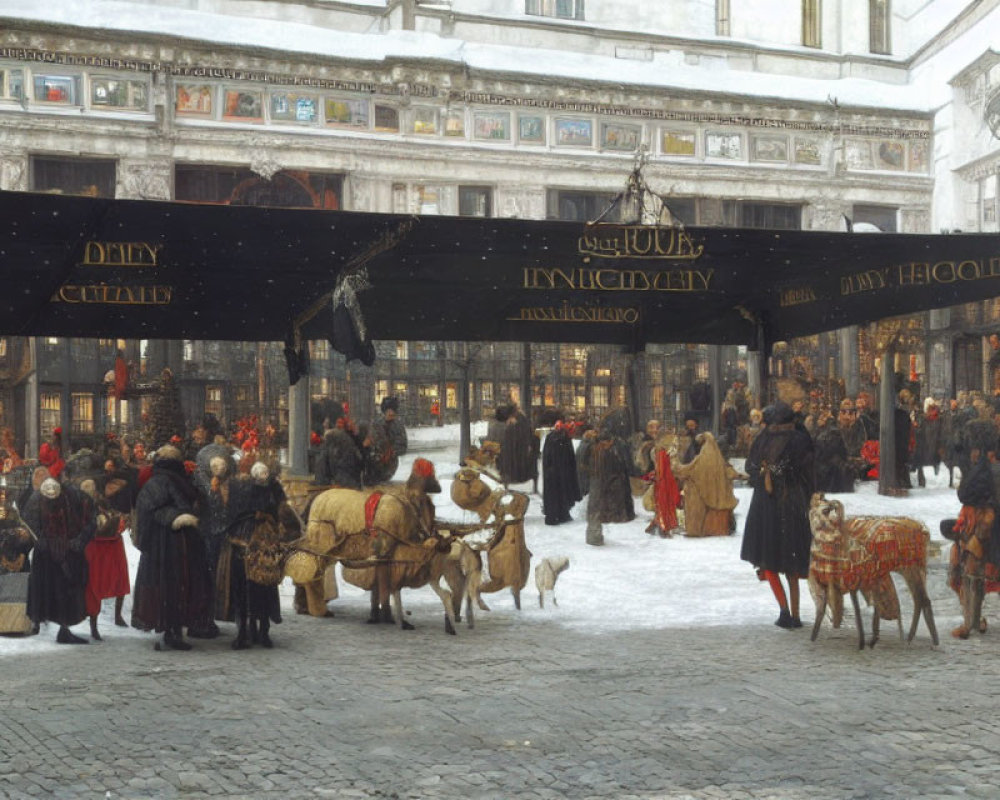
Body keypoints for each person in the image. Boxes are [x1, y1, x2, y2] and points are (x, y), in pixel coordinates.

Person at [740, 402, 815, 629]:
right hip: (793, 501)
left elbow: (750, 467)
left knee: (769, 558)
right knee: (791, 561)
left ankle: (784, 612)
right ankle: (795, 614)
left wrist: (766, 472)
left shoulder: (764, 439)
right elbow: (810, 472)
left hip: (767, 504)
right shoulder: (801, 439)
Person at [131, 445, 213, 651]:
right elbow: (151, 510)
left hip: (169, 544)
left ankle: (173, 630)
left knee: (172, 586)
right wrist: (175, 517)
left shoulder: (163, 481)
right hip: (171, 542)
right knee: (175, 585)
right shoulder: (169, 481)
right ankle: (172, 631)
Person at [217, 462, 299, 649]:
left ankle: (259, 629)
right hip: (247, 543)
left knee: (259, 589)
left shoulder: (265, 490)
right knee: (249, 589)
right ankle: (250, 630)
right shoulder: (245, 490)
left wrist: (269, 517)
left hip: (258, 545)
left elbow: (281, 513)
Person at [24, 477, 96, 644]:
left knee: (66, 589)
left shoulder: (73, 497)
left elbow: (89, 519)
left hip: (67, 549)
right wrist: (40, 541)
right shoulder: (35, 500)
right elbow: (29, 522)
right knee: (45, 587)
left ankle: (64, 628)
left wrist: (77, 542)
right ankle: (40, 623)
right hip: (46, 552)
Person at [79, 479, 129, 640]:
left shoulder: (89, 505)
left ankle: (99, 624)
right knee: (105, 581)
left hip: (100, 546)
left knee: (96, 584)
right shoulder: (97, 506)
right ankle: (113, 617)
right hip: (105, 545)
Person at [581, 408, 637, 546]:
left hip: (603, 484)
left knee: (596, 510)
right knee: (596, 509)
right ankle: (594, 537)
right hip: (600, 484)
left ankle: (594, 536)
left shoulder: (598, 447)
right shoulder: (597, 449)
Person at [672, 431, 742, 536]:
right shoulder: (721, 461)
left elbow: (682, 471)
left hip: (701, 506)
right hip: (719, 507)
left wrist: (673, 459)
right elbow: (731, 473)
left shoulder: (700, 460)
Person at [0, 500, 35, 635]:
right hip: (16, 567)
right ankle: (15, 625)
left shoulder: (20, 528)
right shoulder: (21, 529)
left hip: (14, 568)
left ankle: (10, 625)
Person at [541, 419, 582, 526]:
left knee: (554, 493)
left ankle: (555, 515)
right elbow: (568, 457)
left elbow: (547, 456)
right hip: (560, 471)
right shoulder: (563, 440)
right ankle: (560, 515)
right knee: (561, 492)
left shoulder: (553, 438)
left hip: (553, 471)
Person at [365, 396, 408, 486]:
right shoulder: (376, 424)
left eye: (392, 411)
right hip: (374, 461)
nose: (390, 413)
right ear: (384, 412)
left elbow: (403, 446)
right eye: (388, 411)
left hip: (389, 465)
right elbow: (371, 440)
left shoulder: (398, 426)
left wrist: (391, 452)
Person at [646, 433, 681, 538]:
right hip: (664, 483)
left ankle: (656, 526)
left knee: (665, 505)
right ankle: (663, 528)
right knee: (664, 506)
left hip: (666, 481)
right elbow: (660, 471)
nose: (675, 444)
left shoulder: (664, 452)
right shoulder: (662, 453)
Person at [497, 402, 536, 487]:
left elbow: (524, 433)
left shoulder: (519, 419)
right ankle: (509, 476)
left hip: (519, 446)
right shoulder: (518, 418)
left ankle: (511, 476)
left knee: (510, 459)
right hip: (516, 445)